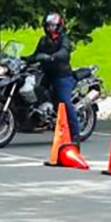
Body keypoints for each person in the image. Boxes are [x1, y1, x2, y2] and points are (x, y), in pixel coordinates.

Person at [31, 12, 80, 141]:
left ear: (59, 26)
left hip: (62, 76)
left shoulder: (64, 39)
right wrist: (22, 59)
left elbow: (65, 52)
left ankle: (75, 134)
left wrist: (53, 57)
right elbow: (35, 54)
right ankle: (44, 117)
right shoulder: (43, 40)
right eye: (48, 26)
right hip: (47, 74)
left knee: (65, 102)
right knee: (36, 89)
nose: (50, 28)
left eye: (52, 26)